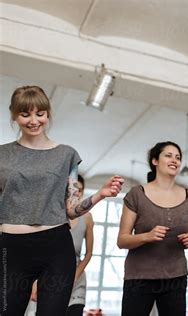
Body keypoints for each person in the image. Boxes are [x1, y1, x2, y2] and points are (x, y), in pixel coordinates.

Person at [0, 85, 124, 316]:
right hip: (11, 248)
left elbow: (71, 209)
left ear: (47, 114)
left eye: (40, 113)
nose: (34, 120)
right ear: (14, 115)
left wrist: (100, 195)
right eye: (25, 114)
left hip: (55, 246)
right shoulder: (2, 155)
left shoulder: (66, 155)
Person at [117, 141, 188, 316]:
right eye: (168, 155)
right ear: (155, 161)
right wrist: (147, 236)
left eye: (178, 157)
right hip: (139, 277)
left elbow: (187, 236)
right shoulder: (137, 194)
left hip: (176, 276)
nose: (174, 160)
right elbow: (122, 240)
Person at [29, 174, 95, 316]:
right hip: (51, 277)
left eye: (80, 189)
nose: (76, 193)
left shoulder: (87, 218)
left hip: (76, 282)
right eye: (72, 189)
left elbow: (89, 253)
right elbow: (41, 252)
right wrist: (35, 282)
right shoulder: (52, 216)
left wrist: (73, 277)